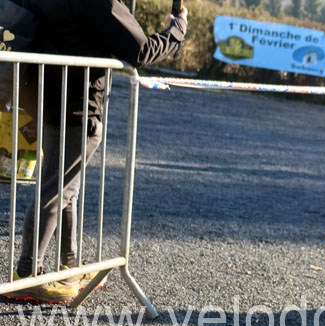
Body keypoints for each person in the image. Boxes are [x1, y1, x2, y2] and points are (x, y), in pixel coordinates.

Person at [4, 0, 189, 304]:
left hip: (45, 98)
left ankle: (69, 265)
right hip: (77, 107)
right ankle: (26, 273)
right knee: (57, 189)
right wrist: (178, 29)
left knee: (65, 187)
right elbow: (141, 50)